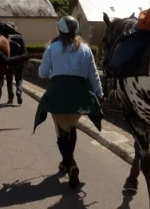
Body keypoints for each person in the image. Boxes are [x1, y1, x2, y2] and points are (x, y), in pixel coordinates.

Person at [33, 15, 104, 189]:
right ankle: (67, 163)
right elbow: (93, 75)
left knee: (61, 131)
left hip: (58, 93)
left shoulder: (52, 48)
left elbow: (42, 73)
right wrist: (99, 94)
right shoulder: (86, 49)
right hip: (79, 95)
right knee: (71, 128)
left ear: (60, 30)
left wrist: (53, 74)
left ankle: (70, 163)